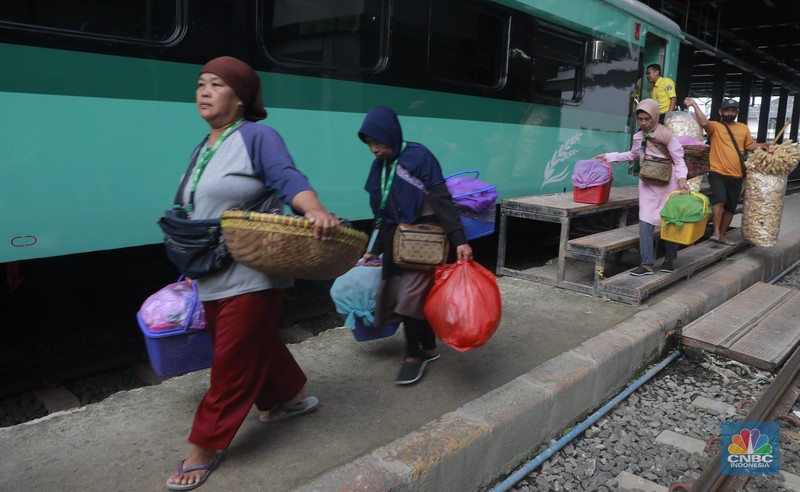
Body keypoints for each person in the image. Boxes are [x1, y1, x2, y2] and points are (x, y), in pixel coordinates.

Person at [165, 56, 340, 491]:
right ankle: (291, 397)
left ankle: (205, 446)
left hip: (253, 271)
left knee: (231, 362)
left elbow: (287, 177)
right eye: (201, 83)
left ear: (240, 97)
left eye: (217, 84)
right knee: (250, 342)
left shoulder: (258, 137)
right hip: (211, 270)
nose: (204, 90)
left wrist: (314, 209)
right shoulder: (203, 145)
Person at [358, 106, 473, 385]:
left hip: (425, 242)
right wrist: (374, 248)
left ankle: (413, 355)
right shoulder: (380, 167)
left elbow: (442, 199)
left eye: (379, 142)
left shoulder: (419, 156)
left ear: (392, 136)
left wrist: (459, 241)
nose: (375, 149)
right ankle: (430, 348)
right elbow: (380, 211)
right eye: (370, 144)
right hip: (395, 243)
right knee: (401, 296)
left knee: (409, 298)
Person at [596, 99, 691, 275]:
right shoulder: (638, 136)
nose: (643, 123)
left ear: (655, 116)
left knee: (670, 221)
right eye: (640, 119)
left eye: (647, 119)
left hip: (668, 185)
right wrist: (609, 156)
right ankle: (647, 264)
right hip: (647, 185)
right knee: (645, 222)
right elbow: (633, 155)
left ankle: (670, 259)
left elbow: (679, 161)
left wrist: (682, 180)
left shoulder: (666, 135)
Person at [683, 97, 770, 245]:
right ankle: (716, 232)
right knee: (719, 199)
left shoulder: (743, 128)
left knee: (731, 206)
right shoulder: (715, 126)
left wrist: (766, 145)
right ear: (720, 111)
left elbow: (750, 145)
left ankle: (722, 235)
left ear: (737, 112)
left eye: (732, 110)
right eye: (726, 110)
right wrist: (695, 105)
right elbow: (704, 123)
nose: (730, 113)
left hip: (736, 174)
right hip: (717, 171)